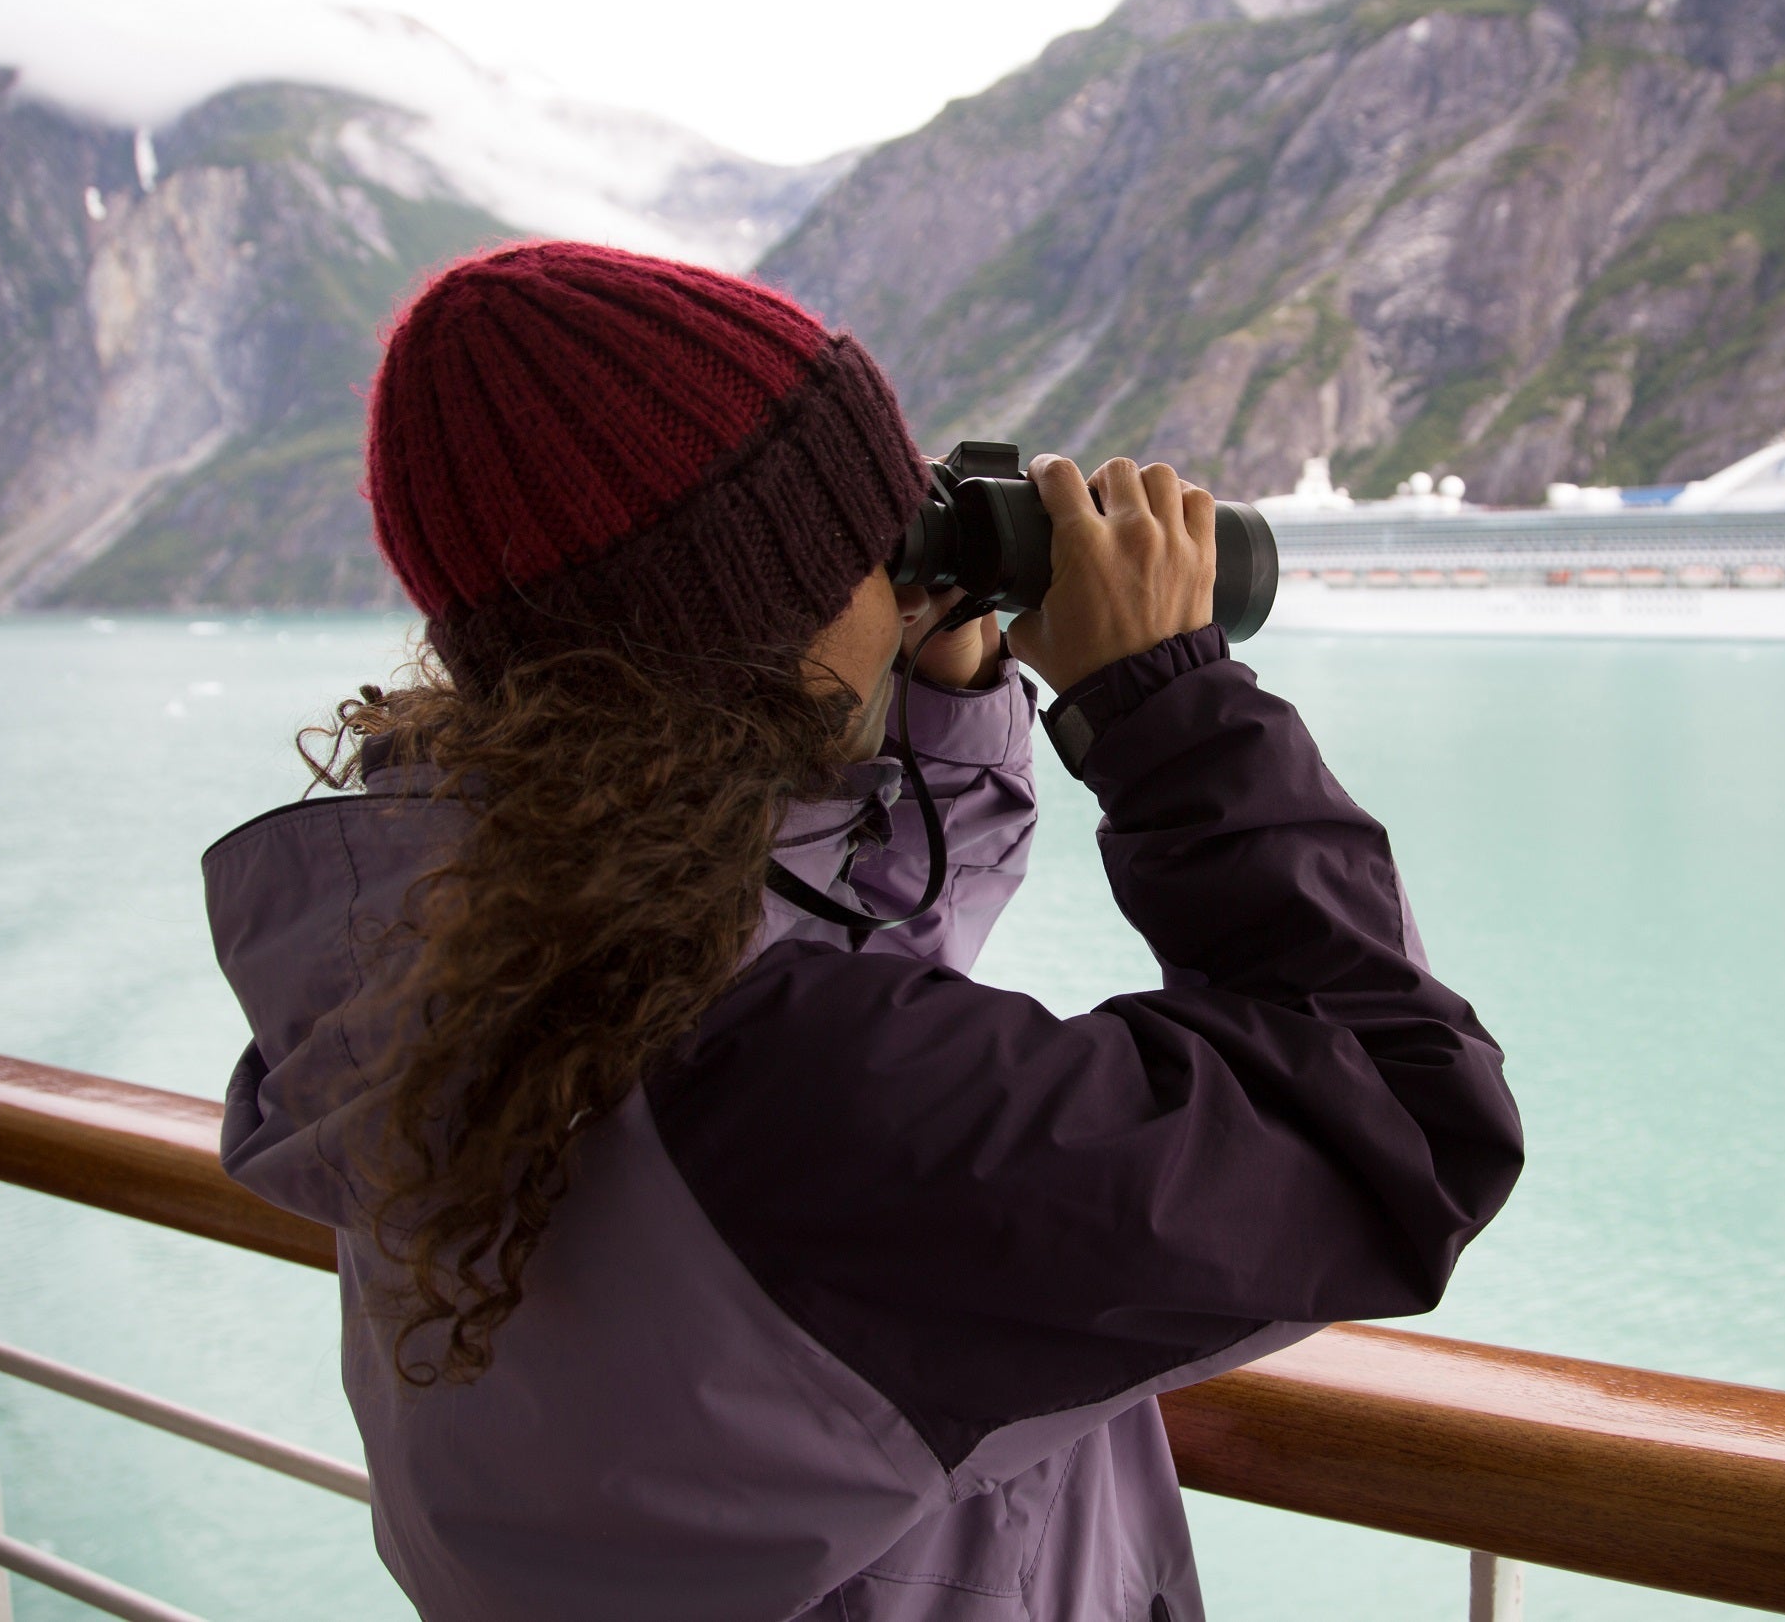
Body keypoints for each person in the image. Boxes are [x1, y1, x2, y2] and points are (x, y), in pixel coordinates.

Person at [203, 241, 1520, 1622]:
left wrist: (941, 693)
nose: (903, 587)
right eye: (871, 550)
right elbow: (1405, 1128)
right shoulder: (795, 1096)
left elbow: (819, 981)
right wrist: (1165, 711)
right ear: (748, 637)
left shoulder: (476, 981)